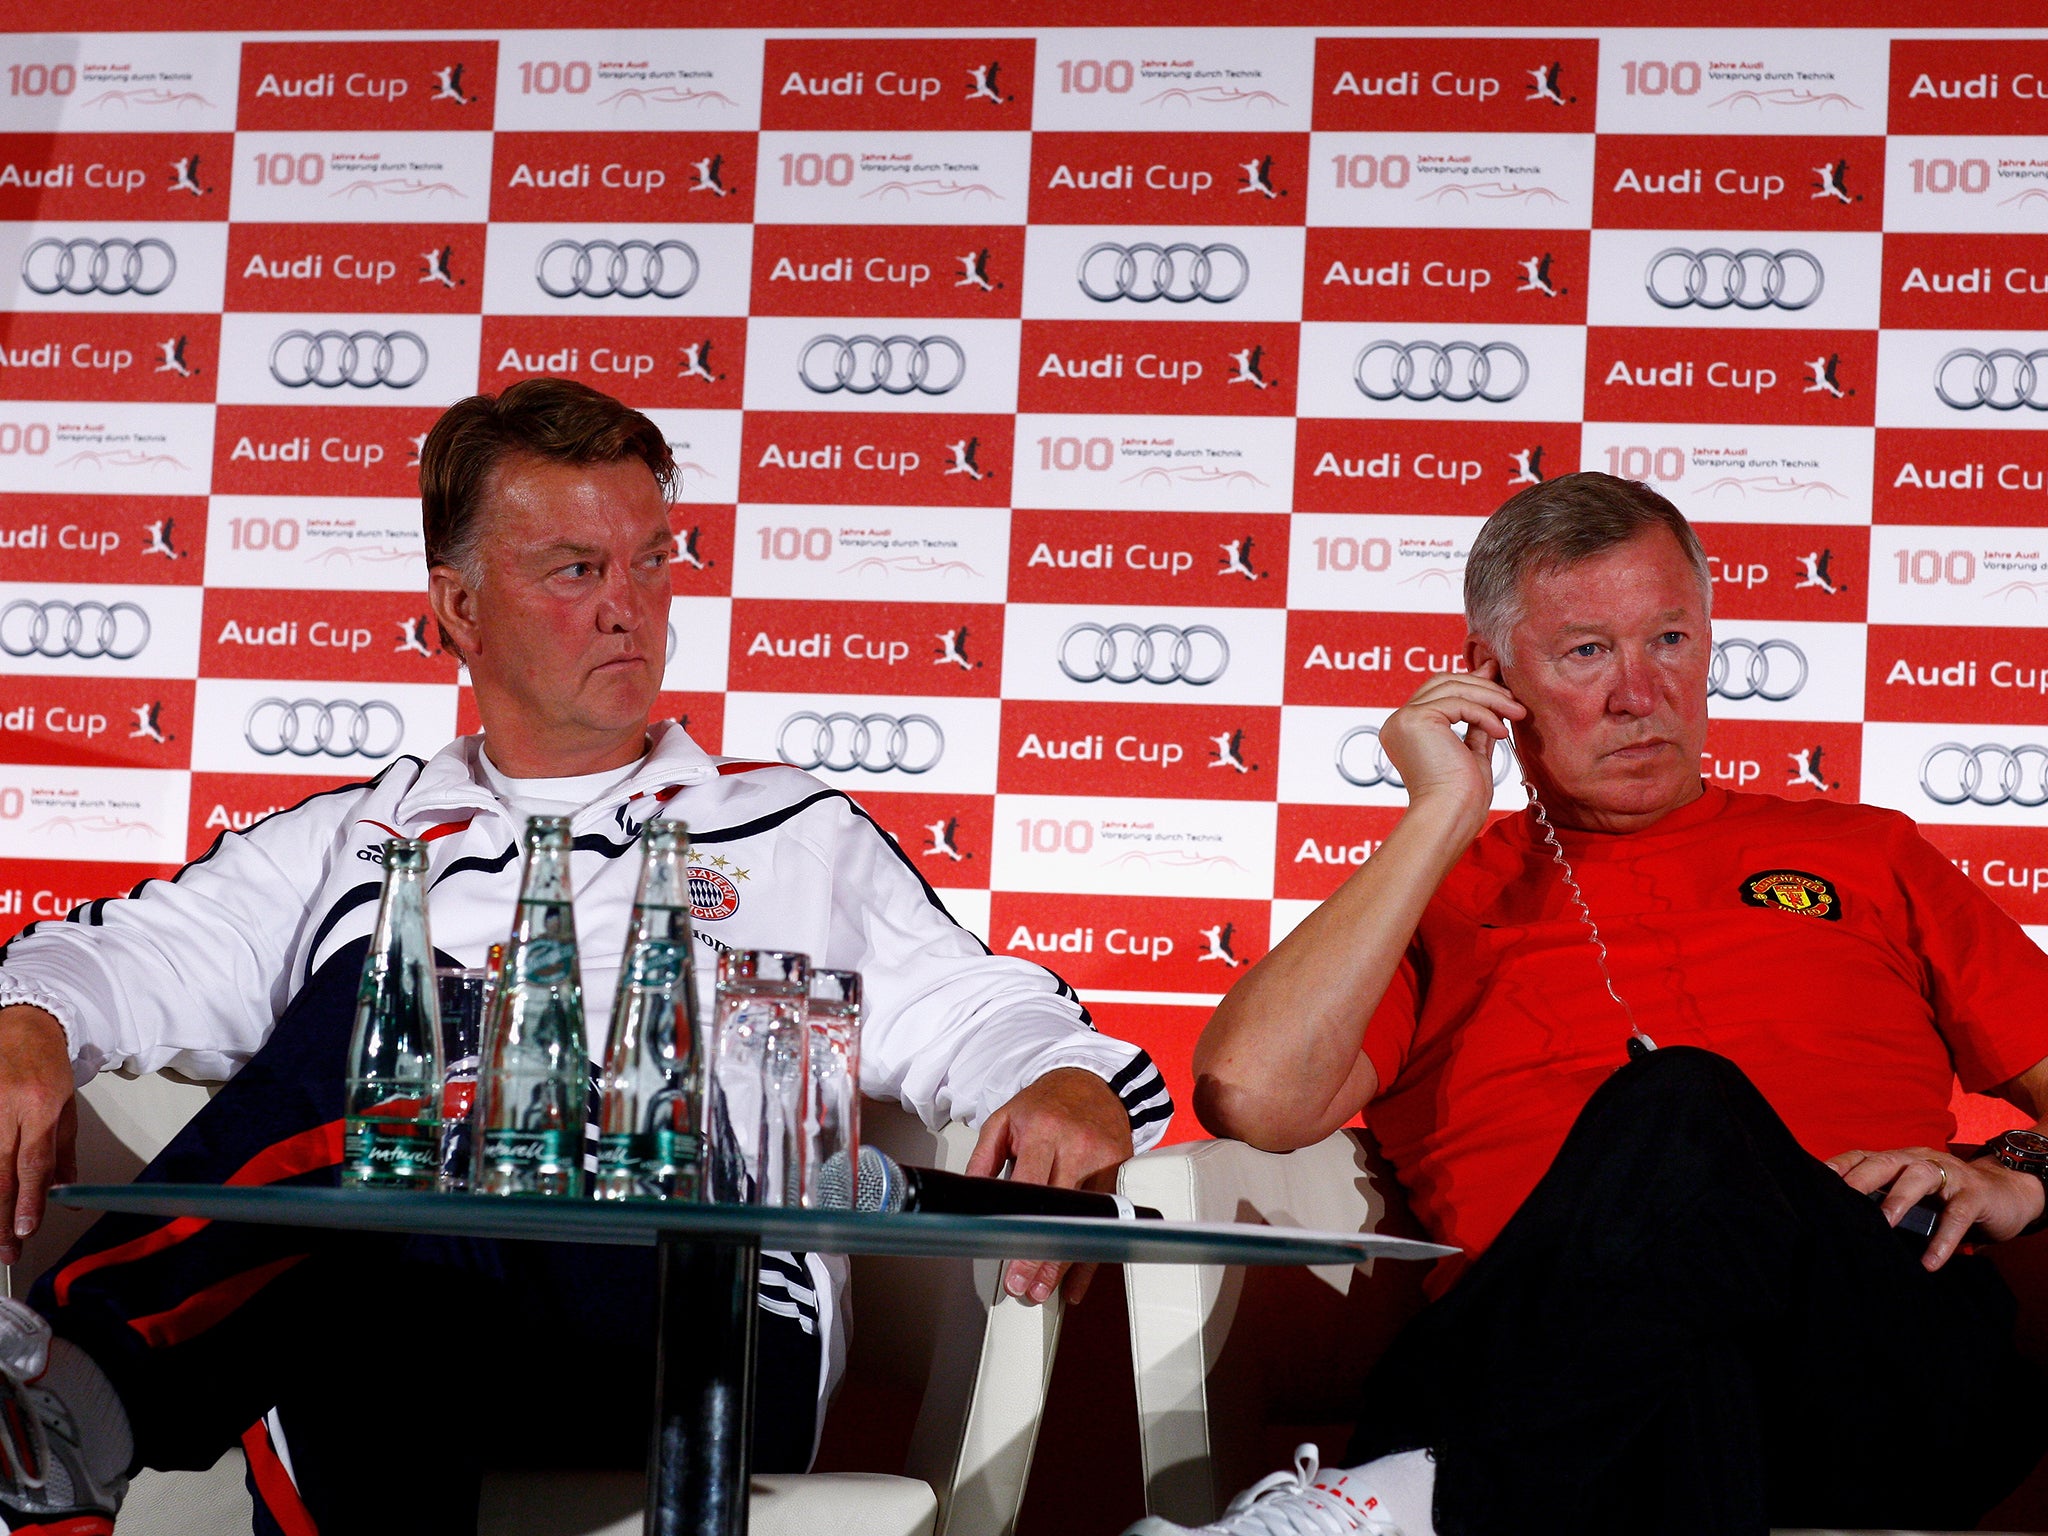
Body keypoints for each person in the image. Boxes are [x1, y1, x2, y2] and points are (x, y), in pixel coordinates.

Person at [0, 378, 1173, 1535]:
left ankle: (83, 1396)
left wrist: (1062, 1081)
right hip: (407, 1303)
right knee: (388, 1174)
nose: (630, 607)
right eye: (577, 570)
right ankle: (90, 1396)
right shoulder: (351, 841)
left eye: (652, 562)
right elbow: (105, 958)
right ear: (456, 610)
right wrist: (28, 1022)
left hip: (690, 1317)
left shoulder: (784, 830)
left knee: (433, 1031)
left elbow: (989, 1013)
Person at [1135, 472, 2048, 1536]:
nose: (1636, 693)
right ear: (1489, 679)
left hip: (1874, 1352)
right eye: (1584, 652)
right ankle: (1442, 1491)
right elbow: (1251, 1095)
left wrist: (2014, 1172)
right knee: (1680, 1373)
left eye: (1667, 639)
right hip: (1548, 1368)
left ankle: (1403, 1500)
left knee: (1681, 1101)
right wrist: (1438, 815)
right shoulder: (1438, 899)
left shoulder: (1868, 851)